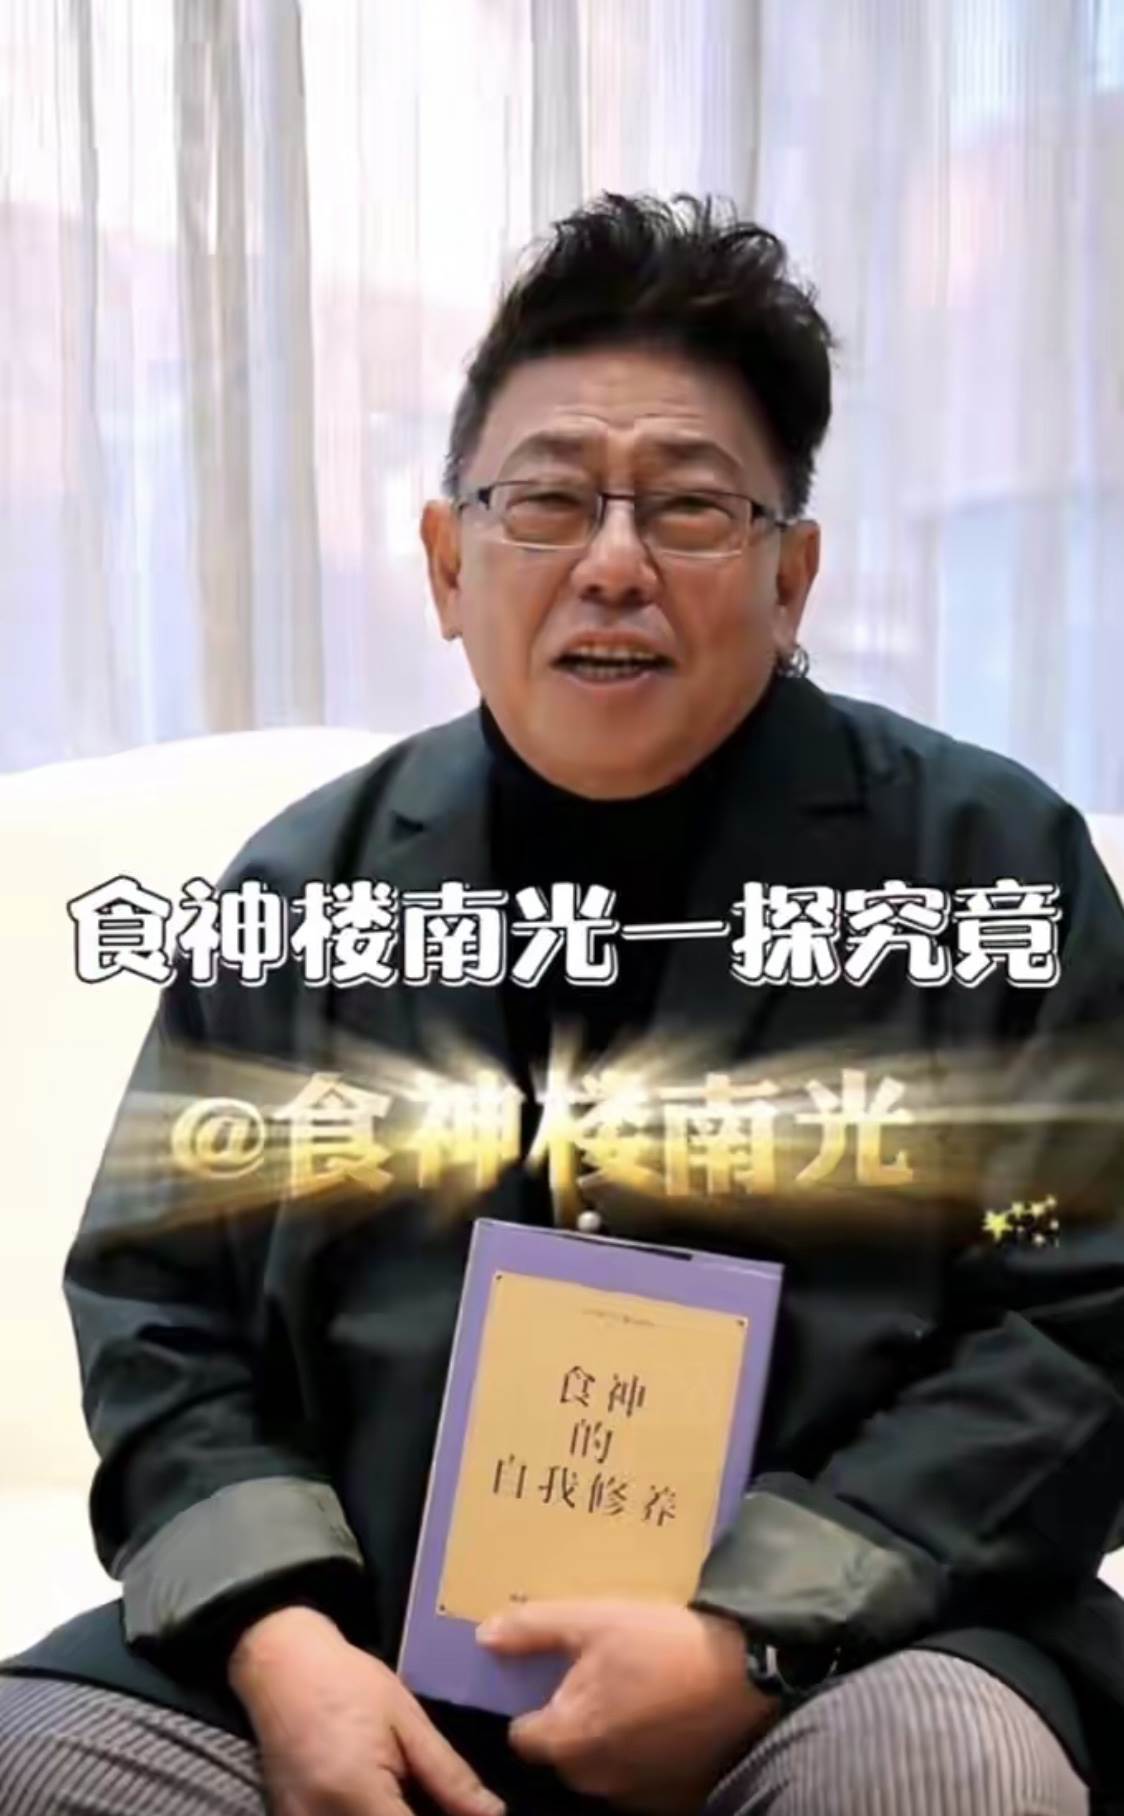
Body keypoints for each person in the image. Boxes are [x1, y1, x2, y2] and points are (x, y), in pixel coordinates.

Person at [2, 192, 1123, 1816]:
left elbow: (1083, 1314)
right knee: (41, 1768)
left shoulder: (984, 871)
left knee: (944, 1771)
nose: (611, 565)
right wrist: (279, 1640)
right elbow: (159, 1309)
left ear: (793, 578)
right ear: (448, 563)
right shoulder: (304, 894)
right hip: (359, 1638)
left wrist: (757, 1633)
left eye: (690, 509)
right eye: (545, 502)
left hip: (846, 1655)